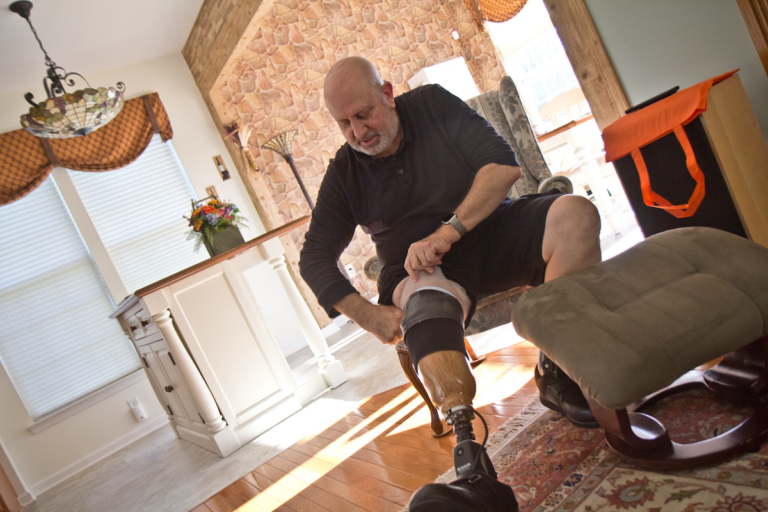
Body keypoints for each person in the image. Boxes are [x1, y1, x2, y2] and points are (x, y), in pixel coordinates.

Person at [299, 56, 601, 511]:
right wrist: (366, 314)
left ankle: (558, 373)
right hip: (421, 272)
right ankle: (471, 466)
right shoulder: (344, 172)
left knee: (575, 215)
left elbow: (501, 166)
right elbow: (314, 257)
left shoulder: (434, 105)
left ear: (388, 93)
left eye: (364, 114)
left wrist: (447, 232)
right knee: (425, 305)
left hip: (489, 231)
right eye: (343, 123)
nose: (357, 132)